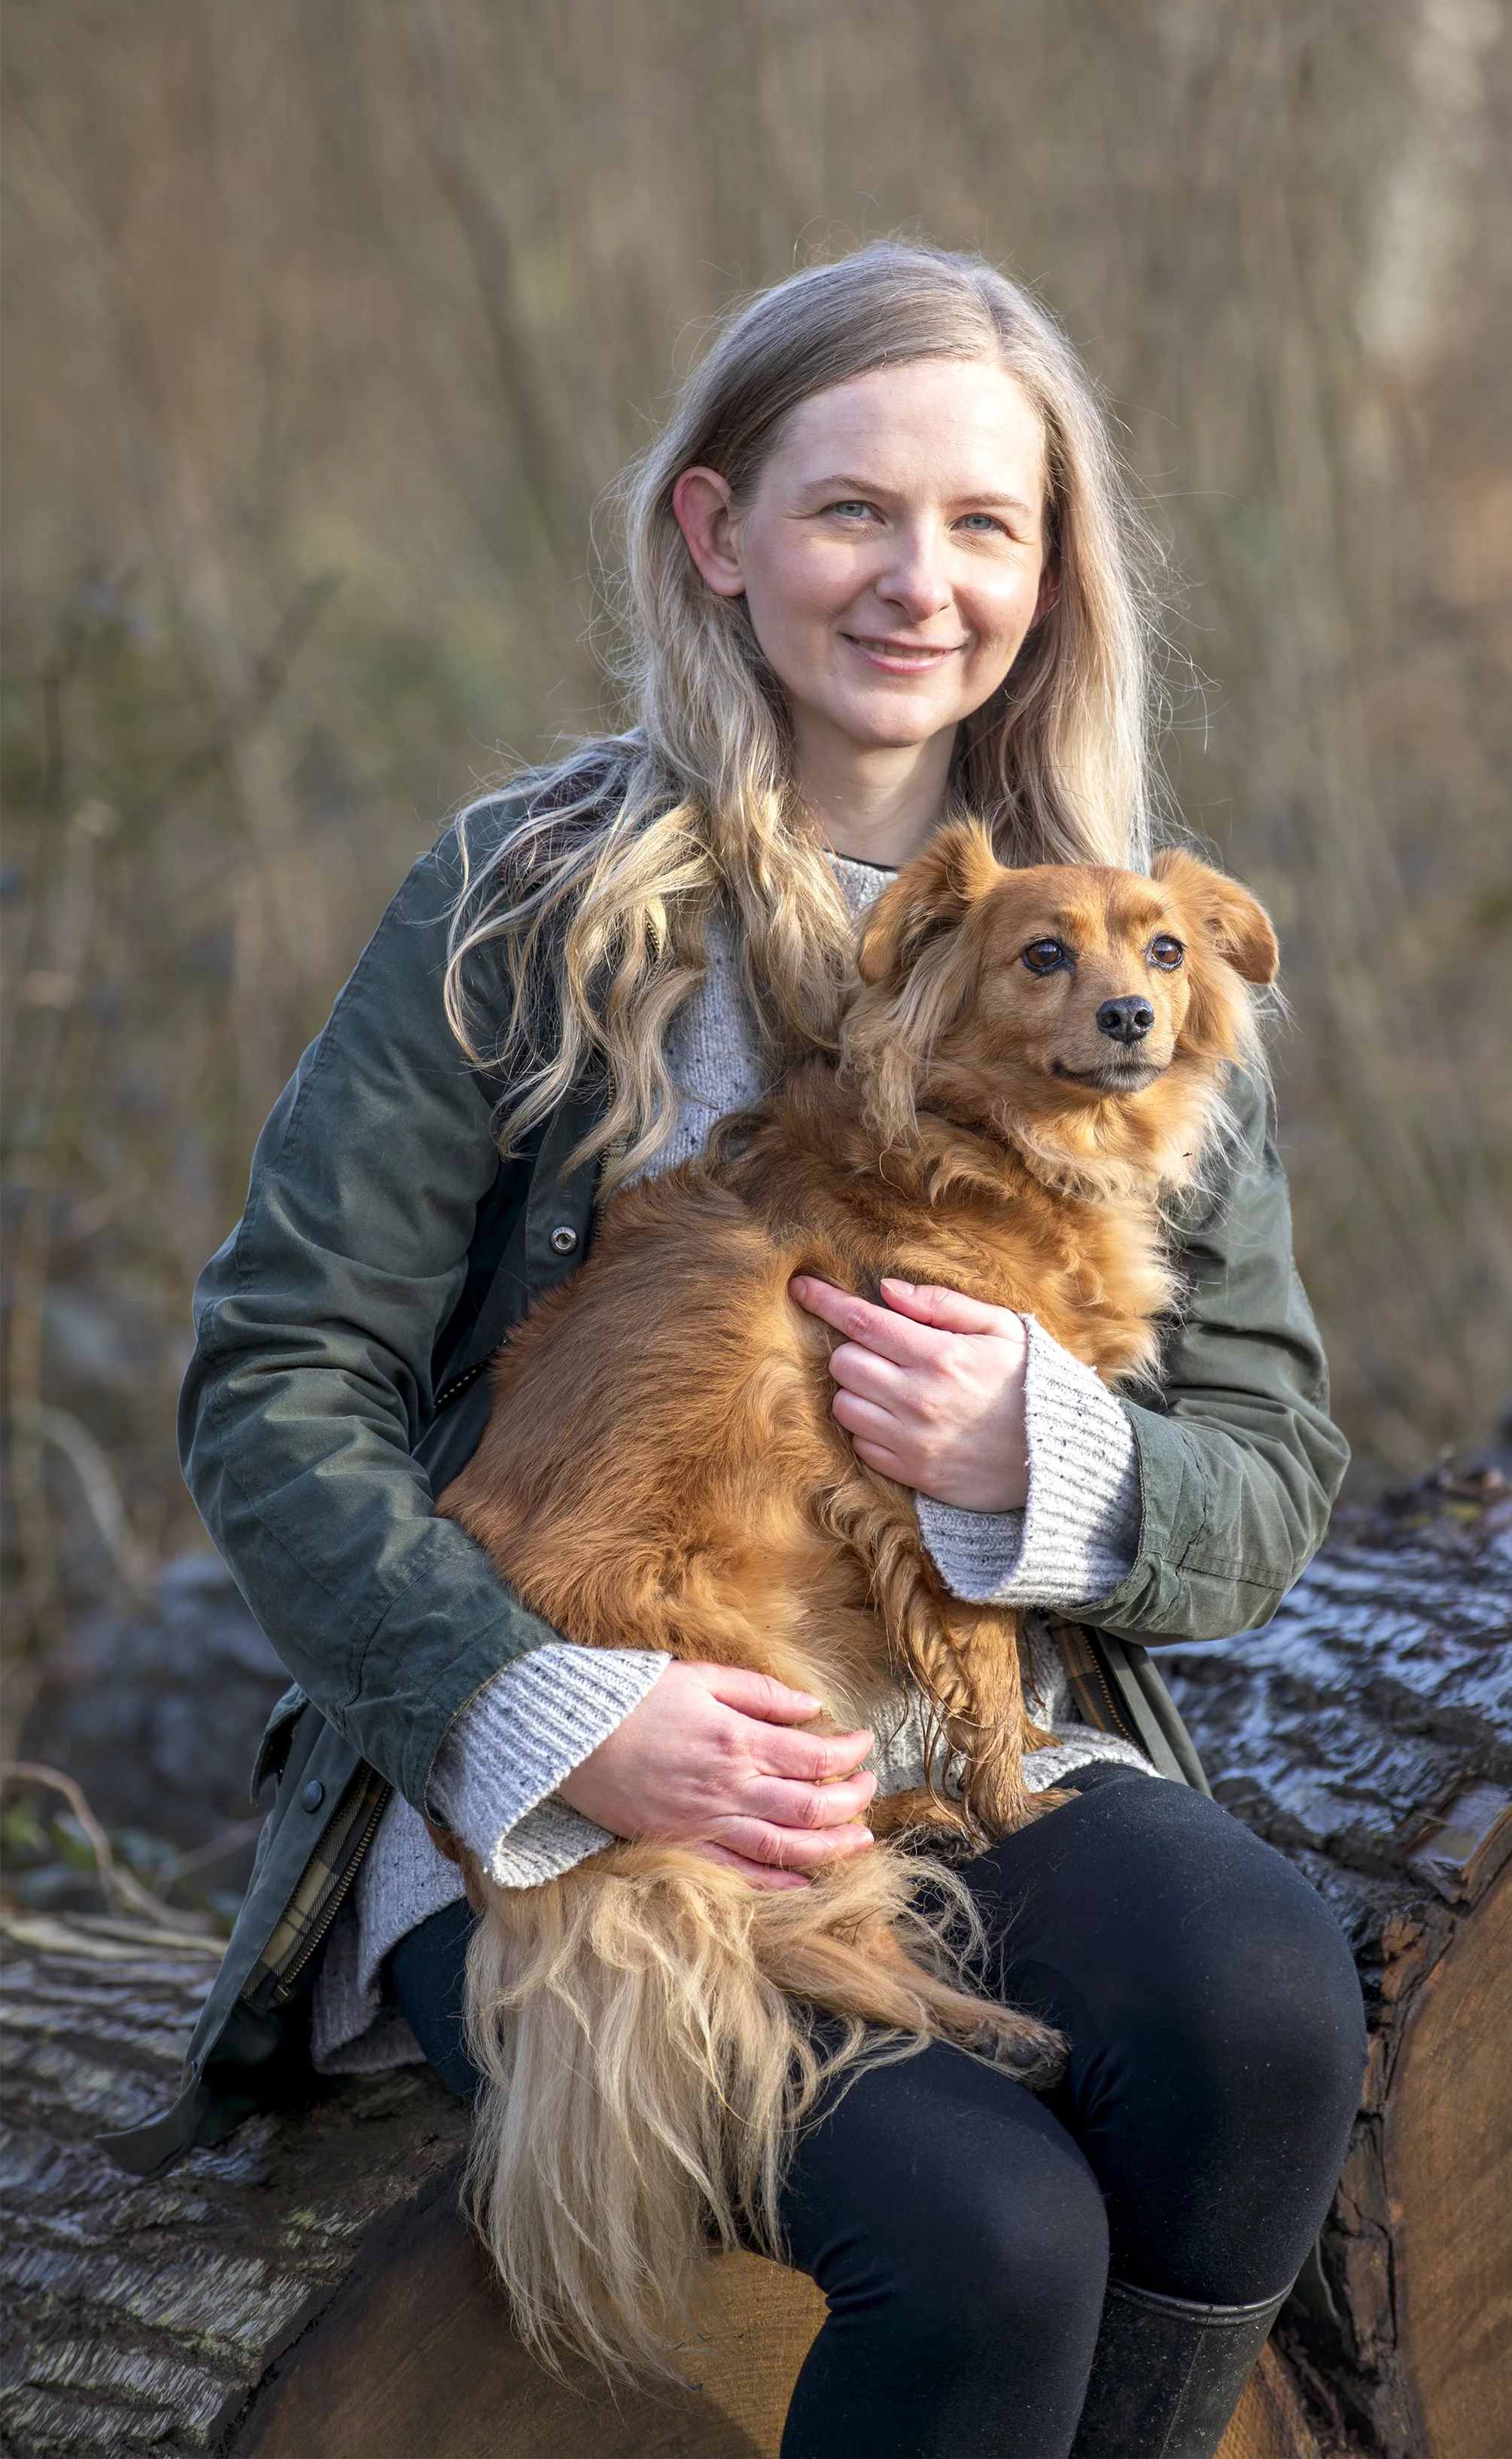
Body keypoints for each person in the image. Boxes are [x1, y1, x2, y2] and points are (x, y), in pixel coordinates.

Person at [105, 243, 1366, 2458]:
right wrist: (548, 1710)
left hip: (962, 1725)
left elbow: (1266, 1457)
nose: (917, 579)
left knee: (1263, 2000)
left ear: (1053, 564)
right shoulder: (526, 900)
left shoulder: (1138, 974)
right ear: (715, 535)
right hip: (549, 1752)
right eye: (848, 509)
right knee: (979, 2250)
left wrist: (1046, 1459)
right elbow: (280, 1374)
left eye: (983, 520)